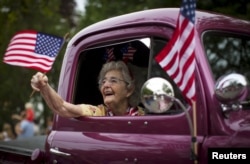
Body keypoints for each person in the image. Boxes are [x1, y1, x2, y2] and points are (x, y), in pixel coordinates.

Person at [31, 61, 144, 117]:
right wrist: (44, 86)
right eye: (103, 82)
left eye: (113, 81)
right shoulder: (100, 112)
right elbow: (62, 108)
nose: (106, 85)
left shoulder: (143, 116)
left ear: (129, 90)